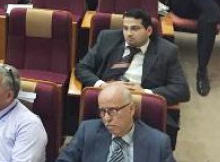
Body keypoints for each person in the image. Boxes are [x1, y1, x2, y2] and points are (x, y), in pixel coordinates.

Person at [53, 82, 181, 162]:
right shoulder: (88, 131)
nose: (107, 118)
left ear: (131, 109)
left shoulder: (157, 142)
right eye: (102, 111)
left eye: (113, 111)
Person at [76, 9, 190, 143]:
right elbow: (82, 68)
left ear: (148, 31)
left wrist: (145, 92)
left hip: (140, 108)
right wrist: (103, 85)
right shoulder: (107, 38)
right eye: (125, 28)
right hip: (107, 101)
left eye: (135, 28)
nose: (129, 34)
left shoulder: (167, 51)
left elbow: (182, 90)